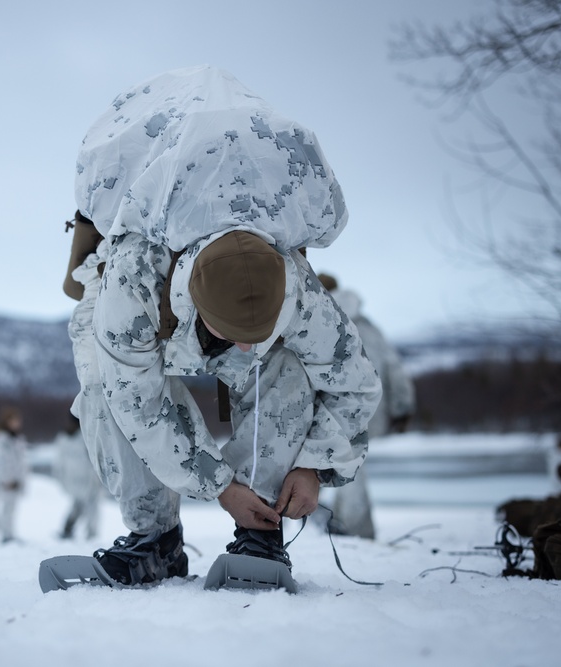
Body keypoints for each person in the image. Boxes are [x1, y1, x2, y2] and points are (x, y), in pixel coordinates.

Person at [63, 66, 382, 586]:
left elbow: (353, 384)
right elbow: (136, 400)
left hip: (227, 311)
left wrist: (314, 465)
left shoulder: (298, 288)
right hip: (151, 323)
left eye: (258, 331)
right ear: (195, 303)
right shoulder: (133, 279)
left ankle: (262, 534)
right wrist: (216, 485)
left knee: (286, 371)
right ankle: (154, 542)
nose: (243, 344)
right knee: (105, 388)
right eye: (233, 331)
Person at [318, 273, 416, 539]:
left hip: (329, 407)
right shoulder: (366, 324)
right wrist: (402, 407)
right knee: (350, 467)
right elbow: (394, 366)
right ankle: (343, 525)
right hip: (369, 407)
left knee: (319, 465)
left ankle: (345, 528)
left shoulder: (317, 315)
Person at [53, 412, 103, 539]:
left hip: (75, 480)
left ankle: (68, 528)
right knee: (91, 507)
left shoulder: (63, 437)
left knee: (78, 505)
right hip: (85, 479)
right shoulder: (84, 436)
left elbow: (58, 462)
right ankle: (91, 534)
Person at [0, 406, 28, 543]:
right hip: (7, 481)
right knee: (6, 507)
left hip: (17, 480)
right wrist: (5, 479)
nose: (17, 423)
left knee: (13, 508)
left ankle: (10, 533)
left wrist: (22, 478)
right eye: (13, 420)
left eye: (18, 420)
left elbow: (22, 461)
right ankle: (5, 534)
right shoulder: (1, 439)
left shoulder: (18, 439)